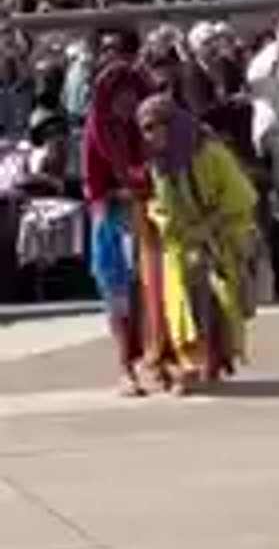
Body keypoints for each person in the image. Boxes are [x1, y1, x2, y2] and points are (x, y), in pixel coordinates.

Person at [137, 94, 258, 395]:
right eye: (145, 129)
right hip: (182, 240)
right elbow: (162, 205)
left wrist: (209, 227)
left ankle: (212, 360)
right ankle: (190, 363)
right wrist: (171, 225)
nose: (151, 136)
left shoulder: (210, 153)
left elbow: (241, 196)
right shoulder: (159, 164)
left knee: (219, 301)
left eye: (155, 127)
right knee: (184, 301)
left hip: (222, 233)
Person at [82, 63, 166, 396]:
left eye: (133, 97)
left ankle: (154, 360)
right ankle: (124, 368)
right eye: (120, 98)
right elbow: (97, 184)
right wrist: (126, 190)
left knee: (150, 291)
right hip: (111, 216)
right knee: (117, 293)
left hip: (146, 213)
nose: (127, 105)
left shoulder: (143, 126)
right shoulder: (97, 129)